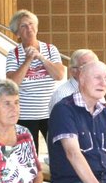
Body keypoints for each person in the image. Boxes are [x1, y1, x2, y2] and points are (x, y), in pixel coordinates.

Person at [4, 9, 65, 150]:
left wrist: (41, 58)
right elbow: (12, 84)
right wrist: (28, 60)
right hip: (25, 115)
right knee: (29, 154)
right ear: (17, 33)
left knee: (58, 151)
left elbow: (59, 75)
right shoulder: (14, 54)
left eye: (31, 24)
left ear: (36, 27)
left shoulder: (50, 49)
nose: (29, 28)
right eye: (23, 26)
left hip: (50, 112)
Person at [48, 48, 98, 113]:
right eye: (85, 67)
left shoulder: (98, 90)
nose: (91, 70)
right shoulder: (62, 95)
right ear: (73, 71)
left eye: (94, 66)